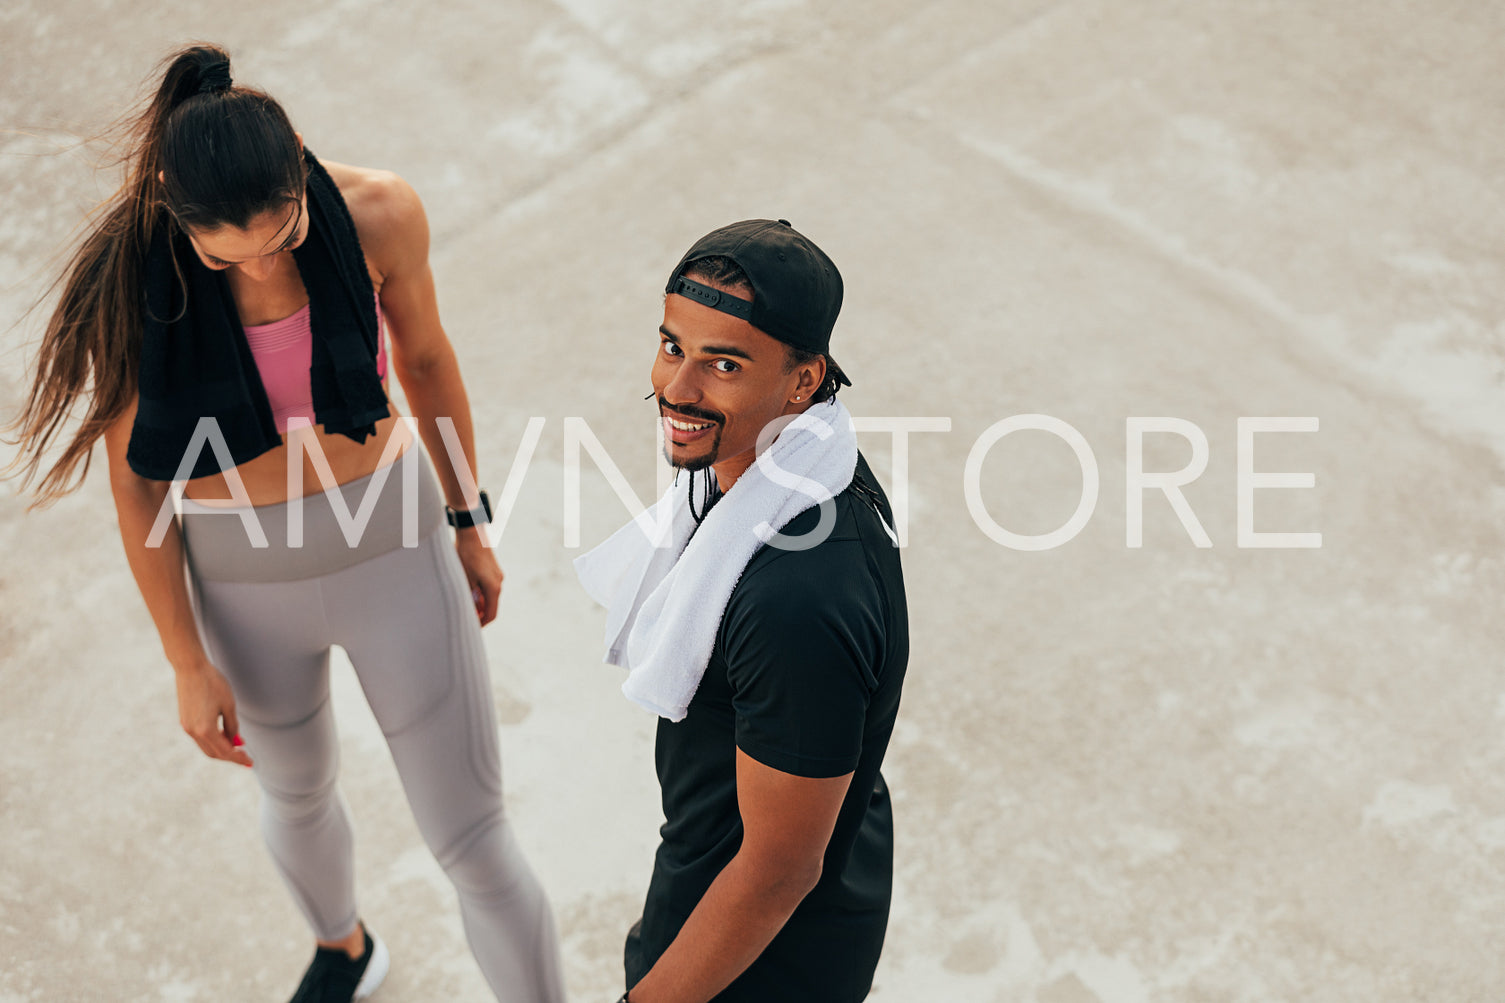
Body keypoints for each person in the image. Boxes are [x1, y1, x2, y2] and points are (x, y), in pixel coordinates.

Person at [4, 44, 564, 1003]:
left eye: (284, 231)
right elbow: (138, 485)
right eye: (230, 252)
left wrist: (470, 521)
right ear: (179, 216)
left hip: (391, 544)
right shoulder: (142, 282)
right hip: (241, 581)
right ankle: (344, 951)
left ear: (300, 159)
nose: (265, 264)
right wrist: (185, 657)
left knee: (472, 836)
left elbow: (426, 361)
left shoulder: (379, 211)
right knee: (295, 792)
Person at [575, 219, 910, 1002]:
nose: (677, 388)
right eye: (671, 346)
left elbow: (778, 869)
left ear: (802, 381)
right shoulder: (796, 464)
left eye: (723, 363)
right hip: (732, 877)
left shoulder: (795, 598)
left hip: (759, 961)